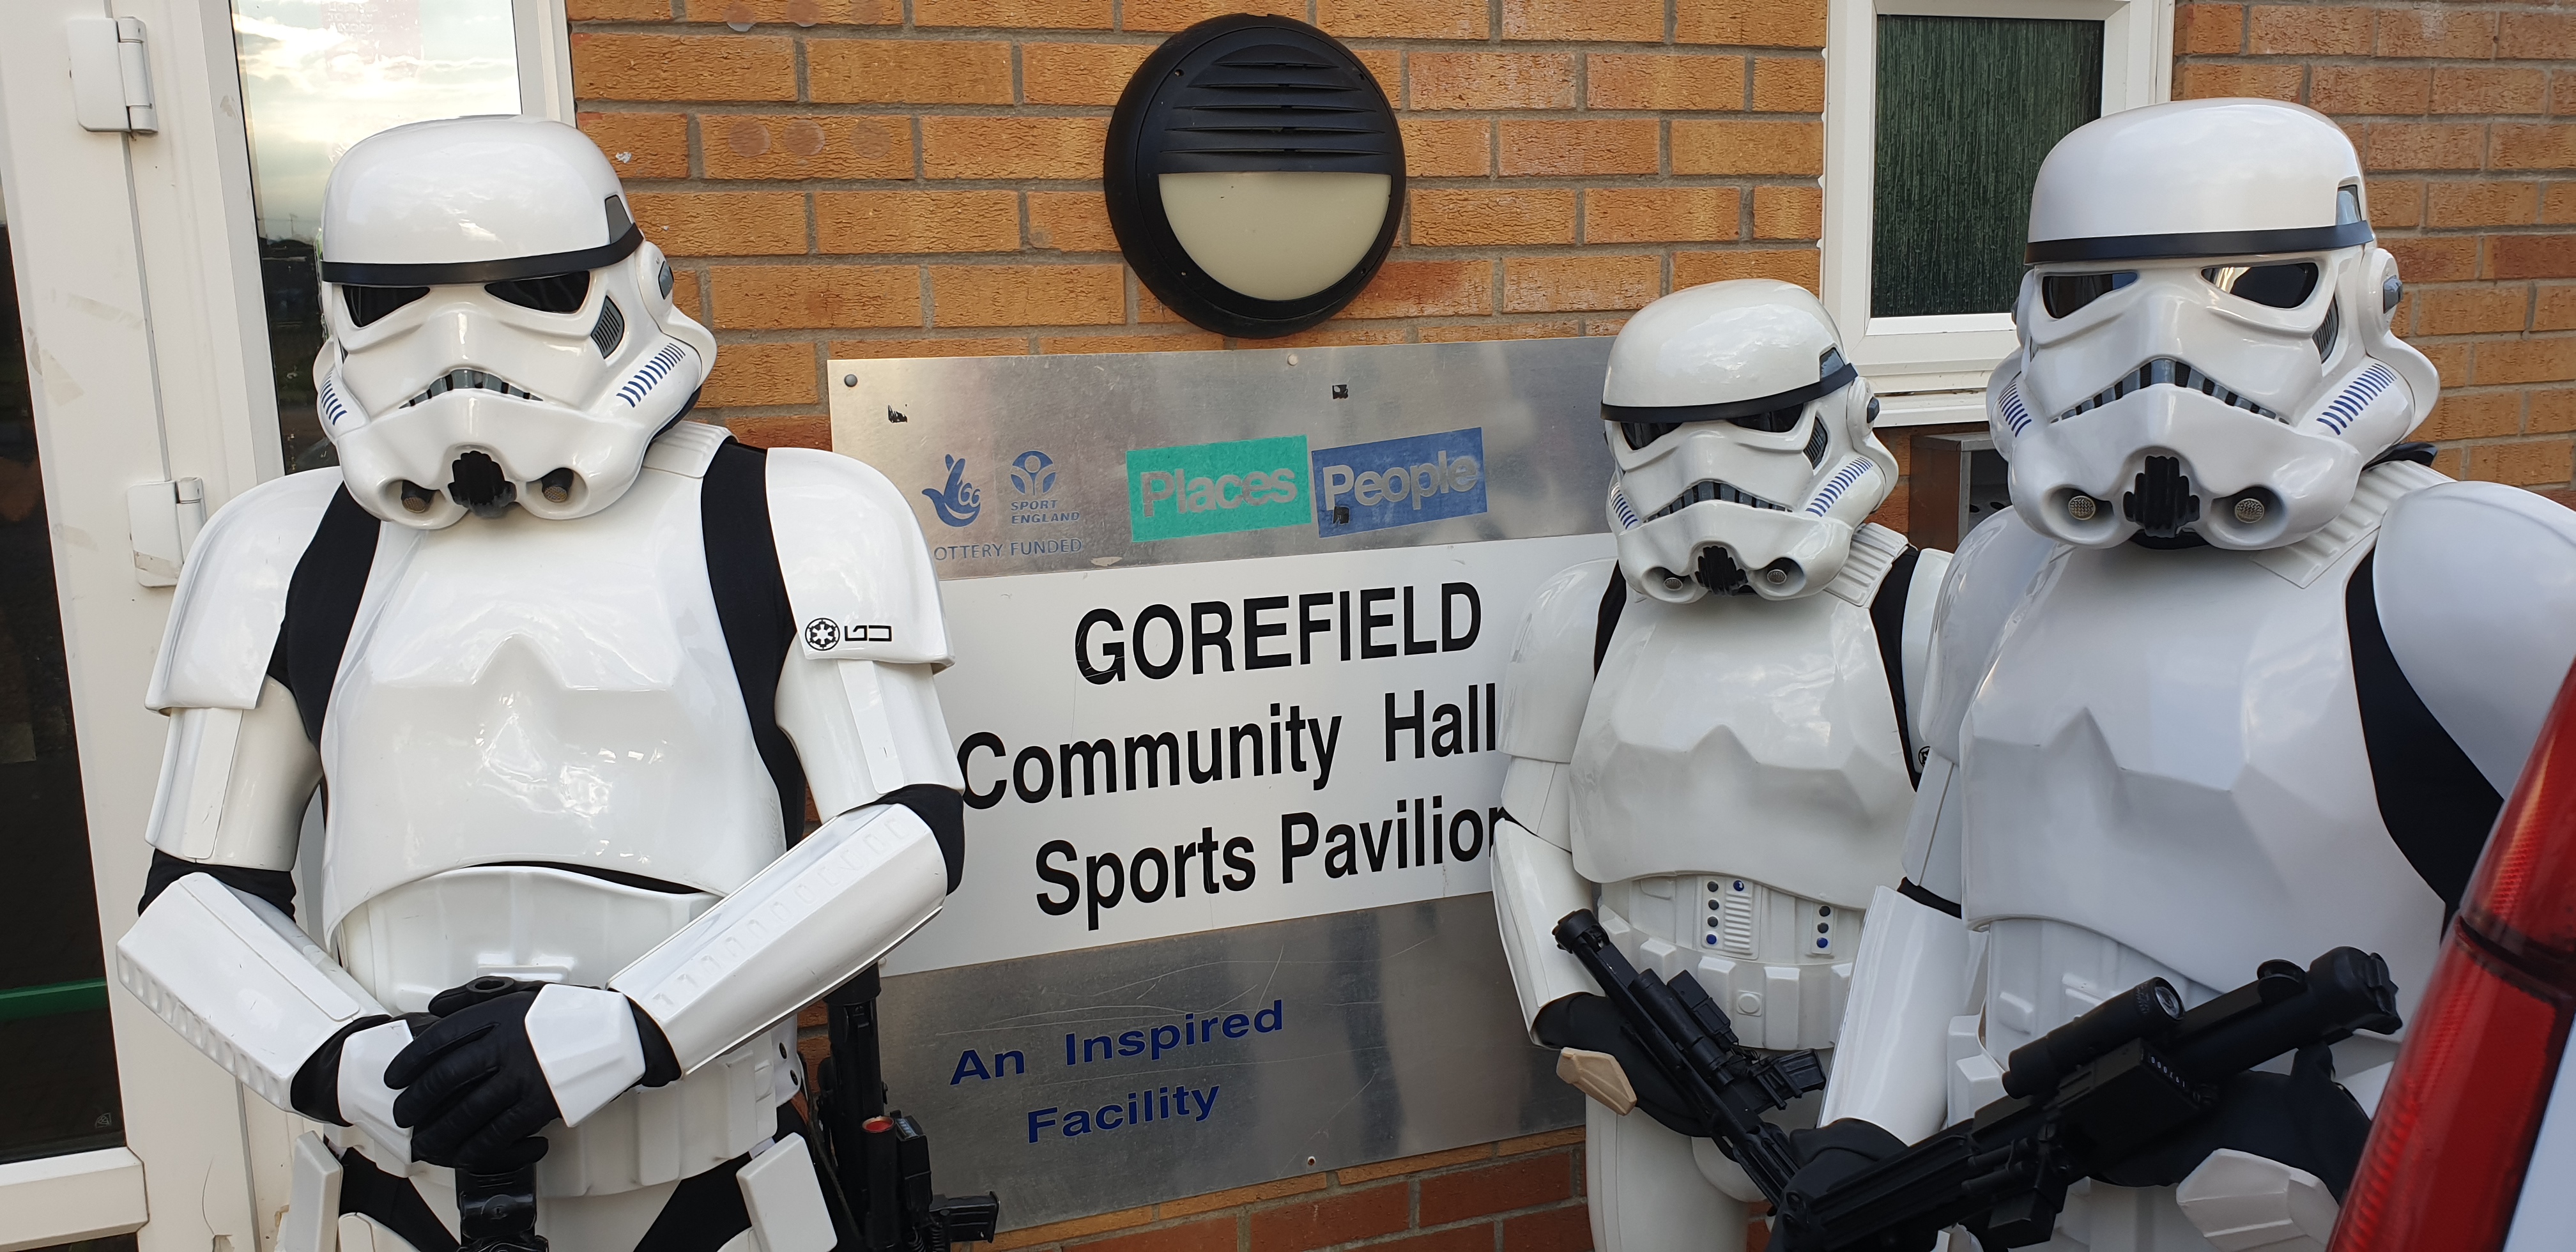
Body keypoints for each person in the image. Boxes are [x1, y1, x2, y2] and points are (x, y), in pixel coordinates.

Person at [113, 116, 965, 1252]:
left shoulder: (793, 515)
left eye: (536, 289)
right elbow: (194, 892)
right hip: (391, 1191)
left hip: (712, 1180)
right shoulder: (278, 548)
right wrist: (359, 1064)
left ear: (630, 285)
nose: (460, 348)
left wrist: (627, 1032)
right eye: (392, 300)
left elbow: (907, 829)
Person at [1813, 98, 2576, 1251]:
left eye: (2254, 286)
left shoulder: (2462, 575)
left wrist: (2374, 1143)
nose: (2157, 357)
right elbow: (1935, 893)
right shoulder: (2005, 573)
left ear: (2361, 296)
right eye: (2093, 294)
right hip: (2010, 1202)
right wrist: (1865, 1131)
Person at [1488, 279, 1942, 1252]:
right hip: (1648, 1068)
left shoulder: (1926, 614)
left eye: (1763, 422)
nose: (1703, 467)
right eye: (1659, 432)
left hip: (1869, 1076)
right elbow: (1530, 830)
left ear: (1840, 416)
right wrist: (1569, 1010)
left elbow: (1973, 880)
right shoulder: (1586, 616)